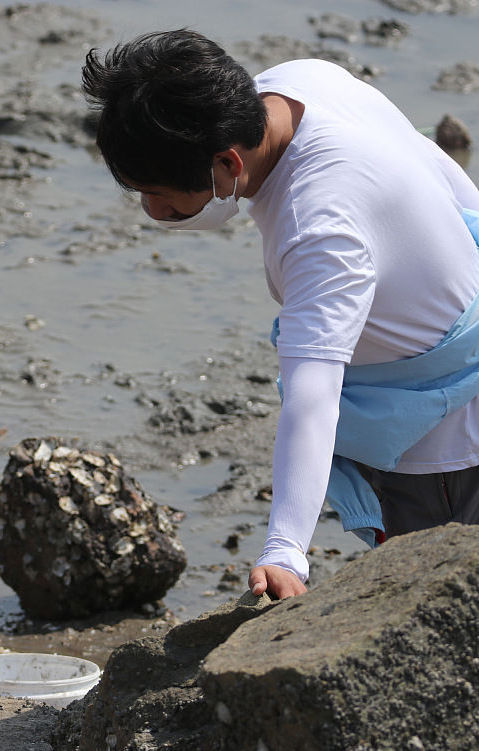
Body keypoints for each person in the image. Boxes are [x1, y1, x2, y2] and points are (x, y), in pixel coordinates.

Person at [82, 30, 479, 600]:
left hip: (441, 442)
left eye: (161, 195)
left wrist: (286, 549)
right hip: (446, 354)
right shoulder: (299, 83)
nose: (153, 212)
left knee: (439, 609)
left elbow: (313, 393)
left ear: (227, 162)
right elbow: (449, 179)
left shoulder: (320, 226)